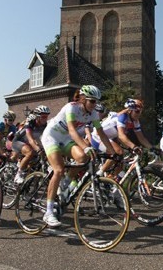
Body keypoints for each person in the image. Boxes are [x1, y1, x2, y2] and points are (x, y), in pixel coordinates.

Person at [39, 85, 115, 227]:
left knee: (83, 158)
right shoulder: (71, 107)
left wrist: (113, 153)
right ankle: (48, 213)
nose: (95, 105)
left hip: (66, 139)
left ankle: (66, 182)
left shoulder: (93, 114)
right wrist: (86, 147)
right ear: (83, 99)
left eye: (97, 102)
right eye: (92, 101)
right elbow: (73, 131)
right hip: (52, 137)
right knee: (59, 169)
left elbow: (101, 133)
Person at [91, 98, 154, 178]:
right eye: (137, 111)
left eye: (140, 111)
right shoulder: (123, 116)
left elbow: (141, 138)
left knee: (121, 163)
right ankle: (98, 175)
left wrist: (152, 148)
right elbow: (121, 136)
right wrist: (133, 147)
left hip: (110, 138)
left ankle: (110, 180)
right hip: (98, 137)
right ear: (130, 110)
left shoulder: (135, 121)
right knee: (118, 151)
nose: (139, 114)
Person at [10, 105, 50, 185]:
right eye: (43, 117)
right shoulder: (30, 122)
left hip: (29, 143)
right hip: (18, 141)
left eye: (46, 116)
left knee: (35, 161)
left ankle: (27, 178)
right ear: (37, 117)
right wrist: (38, 149)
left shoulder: (45, 125)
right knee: (30, 152)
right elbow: (31, 139)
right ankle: (19, 173)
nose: (45, 119)